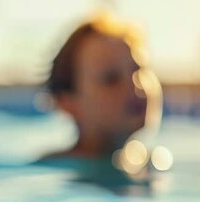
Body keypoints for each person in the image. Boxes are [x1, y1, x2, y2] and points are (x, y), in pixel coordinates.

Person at [43, 12, 163, 162]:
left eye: (137, 69)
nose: (134, 85)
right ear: (68, 103)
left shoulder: (151, 162)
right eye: (111, 79)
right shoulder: (55, 167)